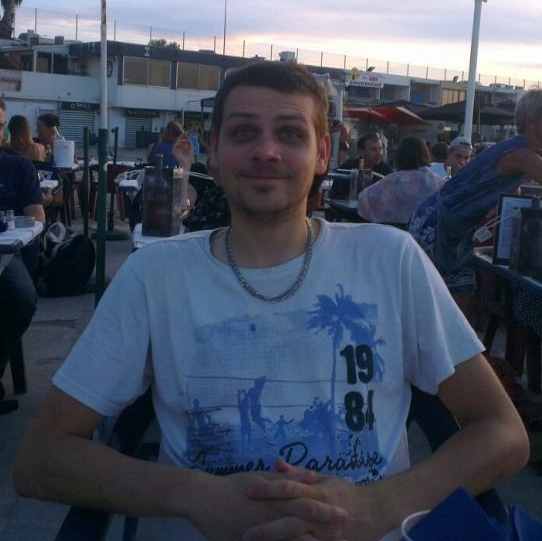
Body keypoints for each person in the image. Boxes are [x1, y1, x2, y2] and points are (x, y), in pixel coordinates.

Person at [14, 61, 528, 541]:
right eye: (243, 133)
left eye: (290, 134)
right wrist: (193, 494)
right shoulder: (154, 275)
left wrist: (378, 506)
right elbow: (40, 459)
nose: (266, 151)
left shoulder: (391, 260)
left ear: (322, 154)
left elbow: (504, 433)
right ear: (214, 154)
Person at [409, 89, 542, 319]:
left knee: (458, 305)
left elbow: (512, 201)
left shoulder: (514, 150)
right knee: (441, 311)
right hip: (439, 226)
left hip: (449, 226)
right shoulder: (522, 155)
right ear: (531, 121)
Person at [0, 104, 45, 415]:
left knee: (20, 297)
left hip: (4, 254)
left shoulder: (17, 167)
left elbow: (37, 216)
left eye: (0, 123)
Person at [357, 136, 444, 227]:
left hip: (393, 232)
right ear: (425, 154)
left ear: (400, 156)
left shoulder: (393, 180)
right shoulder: (437, 181)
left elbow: (364, 200)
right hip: (425, 231)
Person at [330, 132, 393, 199]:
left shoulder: (386, 171)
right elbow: (335, 196)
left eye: (380, 149)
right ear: (361, 152)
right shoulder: (347, 169)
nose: (379, 154)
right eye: (373, 149)